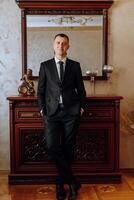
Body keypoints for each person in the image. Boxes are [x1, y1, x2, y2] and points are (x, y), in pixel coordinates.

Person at [37, 33, 86, 200]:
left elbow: (81, 89)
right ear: (53, 45)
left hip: (71, 113)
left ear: (68, 46)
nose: (60, 46)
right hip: (51, 113)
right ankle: (72, 182)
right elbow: (41, 91)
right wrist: (42, 109)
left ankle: (60, 184)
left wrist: (82, 107)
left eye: (64, 43)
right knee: (52, 147)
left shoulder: (75, 66)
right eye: (58, 43)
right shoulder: (45, 66)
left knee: (68, 149)